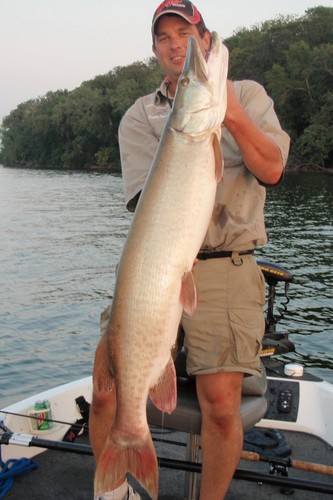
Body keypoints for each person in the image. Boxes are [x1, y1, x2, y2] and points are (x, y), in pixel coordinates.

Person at [90, 1, 290, 499]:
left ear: (201, 35)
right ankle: (117, 487)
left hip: (226, 264)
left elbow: (271, 169)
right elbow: (147, 207)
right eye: (165, 37)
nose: (177, 43)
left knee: (221, 402)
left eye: (186, 31)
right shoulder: (140, 115)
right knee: (106, 391)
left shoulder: (247, 95)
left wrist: (229, 111)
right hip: (158, 264)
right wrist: (203, 110)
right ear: (155, 49)